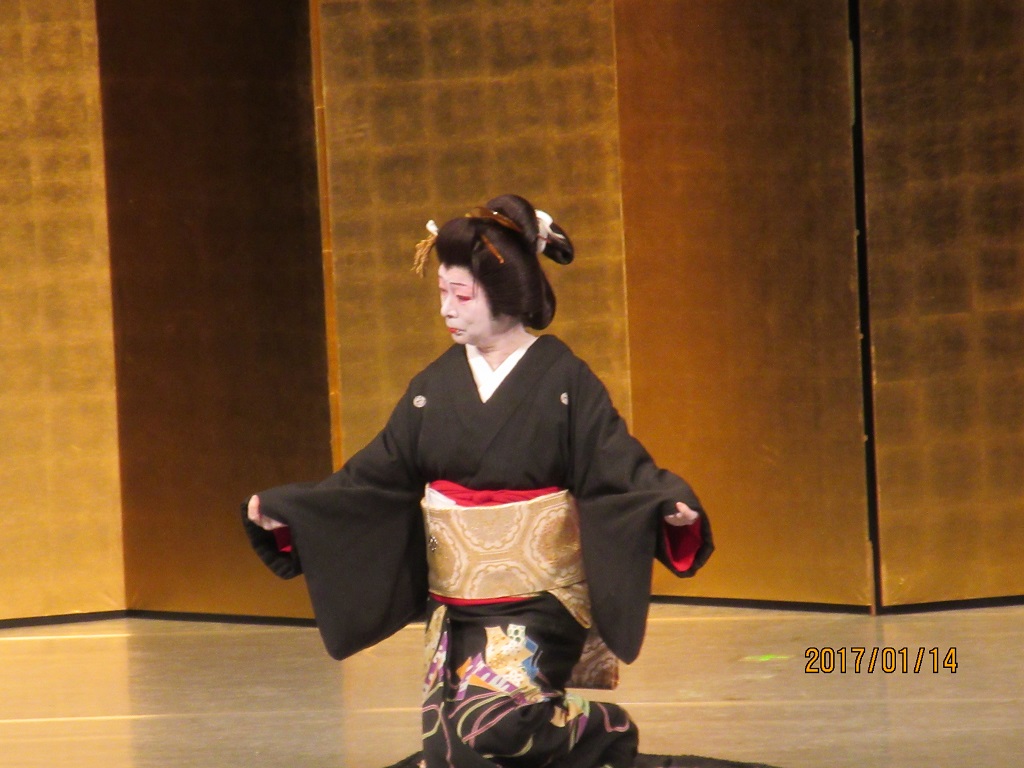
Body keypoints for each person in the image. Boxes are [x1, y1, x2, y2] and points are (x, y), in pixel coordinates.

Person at [242, 194, 714, 768]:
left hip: (539, 597)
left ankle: (603, 731)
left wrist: (667, 503)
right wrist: (294, 510)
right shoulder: (432, 388)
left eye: (461, 295)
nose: (447, 309)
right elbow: (374, 476)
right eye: (442, 292)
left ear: (508, 293)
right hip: (454, 605)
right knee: (452, 754)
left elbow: (618, 465)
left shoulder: (564, 380)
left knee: (494, 729)